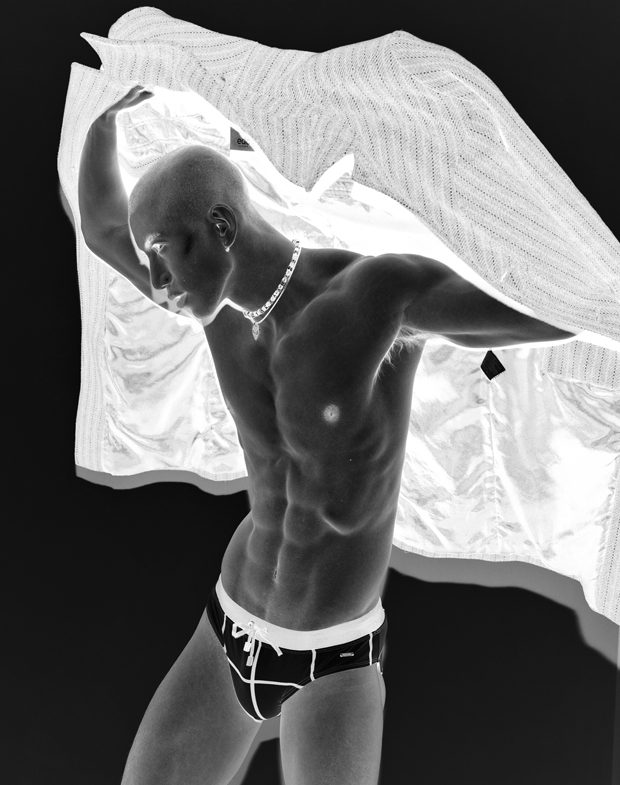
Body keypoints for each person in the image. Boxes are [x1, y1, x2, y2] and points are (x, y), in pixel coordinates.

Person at [75, 85, 576, 785]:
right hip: (226, 631)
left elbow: (555, 310)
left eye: (162, 250)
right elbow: (102, 226)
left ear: (221, 224)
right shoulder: (214, 310)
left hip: (332, 663)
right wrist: (102, 117)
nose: (157, 282)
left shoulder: (376, 297)